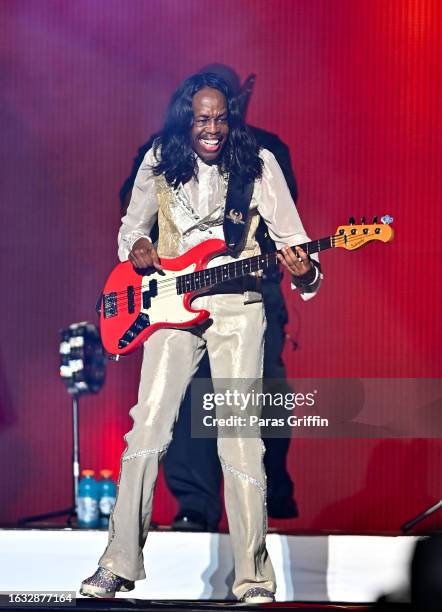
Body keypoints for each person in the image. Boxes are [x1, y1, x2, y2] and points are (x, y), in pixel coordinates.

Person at [80, 72, 321, 603]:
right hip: (169, 305)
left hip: (239, 306)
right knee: (147, 433)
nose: (212, 128)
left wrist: (304, 270)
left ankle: (254, 581)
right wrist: (139, 246)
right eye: (201, 119)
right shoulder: (158, 160)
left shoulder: (256, 162)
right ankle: (117, 563)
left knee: (242, 442)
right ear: (184, 120)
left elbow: (294, 239)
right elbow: (130, 228)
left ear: (231, 118)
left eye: (220, 118)